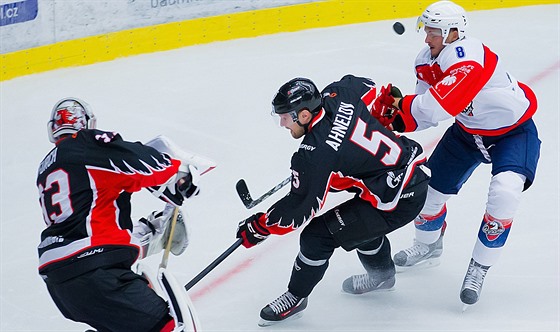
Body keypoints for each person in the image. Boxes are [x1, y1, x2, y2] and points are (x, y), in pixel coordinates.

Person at [371, 0, 541, 306]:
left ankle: (479, 266)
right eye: (426, 29)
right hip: (466, 134)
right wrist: (391, 121)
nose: (427, 38)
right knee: (427, 194)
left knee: (505, 192)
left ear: (453, 33)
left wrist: (401, 105)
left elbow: (439, 106)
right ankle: (429, 245)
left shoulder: (468, 57)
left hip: (512, 134)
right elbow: (423, 114)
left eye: (434, 31)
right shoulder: (426, 60)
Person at [235, 75, 431, 326]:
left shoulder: (315, 156)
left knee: (316, 237)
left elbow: (299, 210)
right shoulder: (339, 94)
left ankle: (296, 297)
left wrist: (260, 226)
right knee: (359, 225)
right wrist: (374, 119)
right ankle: (382, 275)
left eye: (285, 117)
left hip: (396, 198)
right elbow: (370, 88)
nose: (283, 123)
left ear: (304, 115)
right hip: (408, 172)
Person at [37, 98, 200, 331]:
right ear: (86, 122)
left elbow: (90, 216)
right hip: (98, 273)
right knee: (167, 327)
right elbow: (139, 161)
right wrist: (178, 174)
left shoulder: (46, 167)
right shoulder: (86, 144)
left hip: (61, 285)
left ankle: (147, 234)